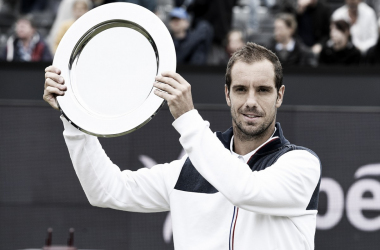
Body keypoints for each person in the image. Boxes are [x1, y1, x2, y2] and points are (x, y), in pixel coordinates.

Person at [43, 42, 321, 249]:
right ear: (227, 94)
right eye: (240, 89)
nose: (250, 101)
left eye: (262, 90)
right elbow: (106, 191)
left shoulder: (300, 165)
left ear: (279, 95)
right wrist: (74, 119)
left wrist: (188, 118)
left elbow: (243, 189)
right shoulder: (188, 171)